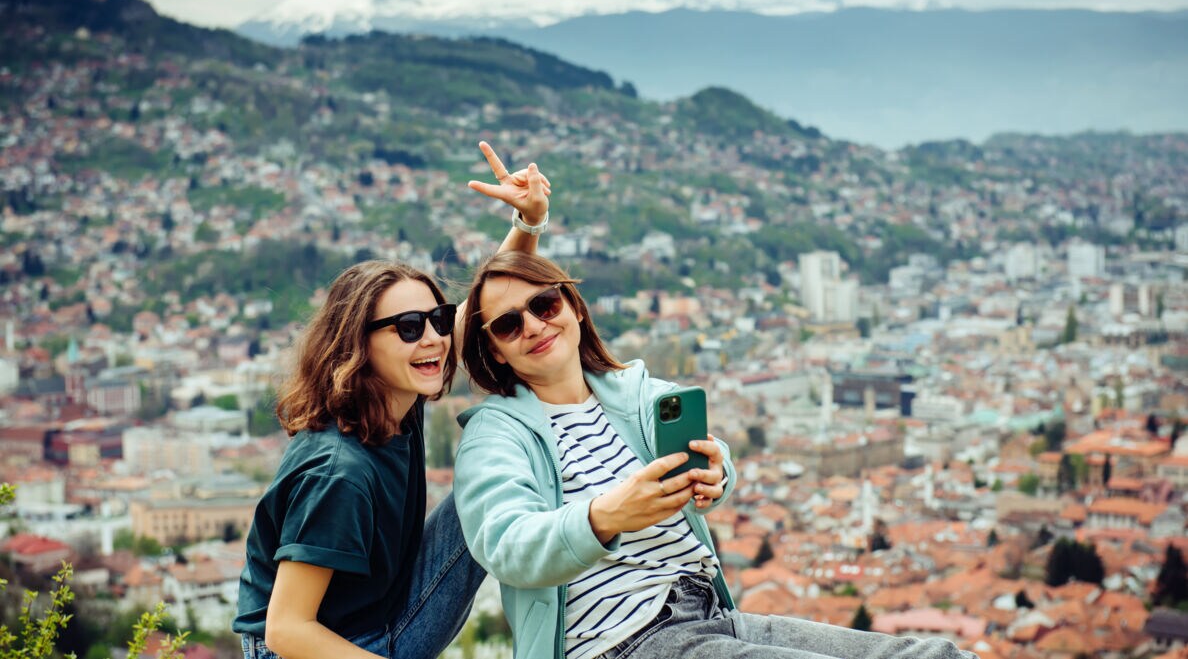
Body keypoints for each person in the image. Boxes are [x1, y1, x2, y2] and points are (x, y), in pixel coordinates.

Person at [452, 252, 979, 659]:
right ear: (494, 348)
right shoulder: (496, 434)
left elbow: (706, 451)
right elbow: (502, 543)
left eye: (544, 305)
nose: (535, 326)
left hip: (709, 611)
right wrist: (604, 517)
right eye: (508, 324)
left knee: (935, 653)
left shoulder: (633, 393)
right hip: (620, 639)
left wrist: (716, 469)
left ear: (571, 305)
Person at [232, 141, 553, 659]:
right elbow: (287, 630)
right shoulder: (340, 472)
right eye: (407, 327)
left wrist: (529, 222)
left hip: (375, 614)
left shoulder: (391, 395)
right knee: (501, 480)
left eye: (436, 320)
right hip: (317, 648)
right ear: (360, 346)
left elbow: (481, 308)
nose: (433, 338)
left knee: (498, 477)